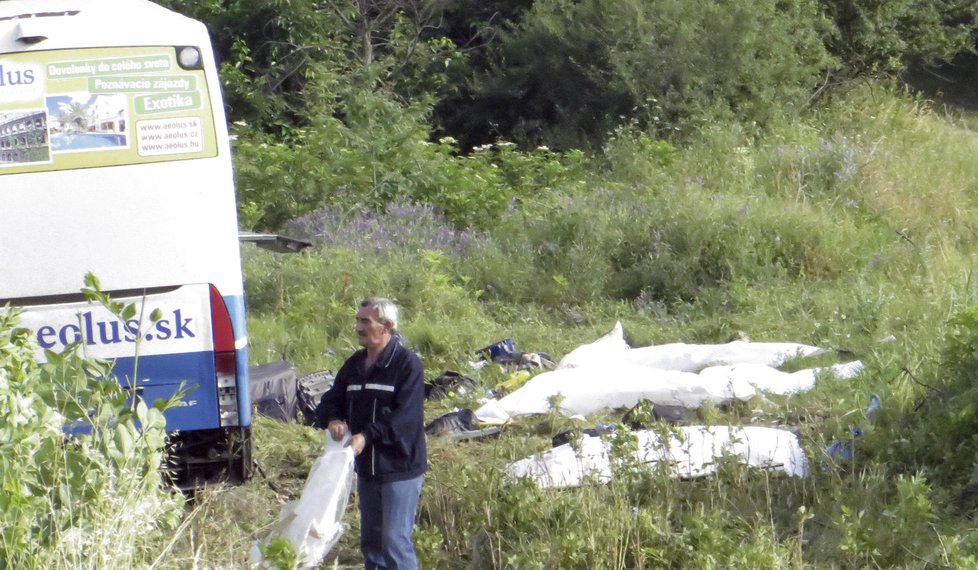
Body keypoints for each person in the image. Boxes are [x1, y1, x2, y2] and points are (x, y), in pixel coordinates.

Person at [315, 297, 428, 570]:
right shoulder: (354, 365)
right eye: (358, 320)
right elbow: (331, 399)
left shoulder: (407, 365)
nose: (358, 327)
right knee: (372, 545)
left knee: (394, 542)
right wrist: (334, 419)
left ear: (387, 326)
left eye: (365, 321)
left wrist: (367, 436)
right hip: (367, 469)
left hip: (399, 467)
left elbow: (405, 417)